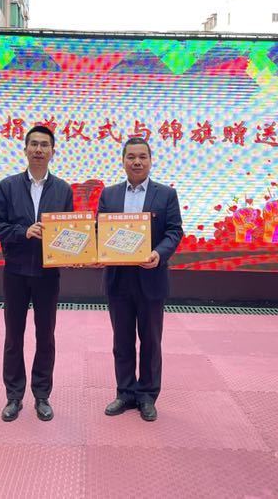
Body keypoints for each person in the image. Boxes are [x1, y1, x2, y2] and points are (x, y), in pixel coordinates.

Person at [0, 125, 74, 422]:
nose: (38, 149)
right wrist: (23, 232)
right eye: (33, 144)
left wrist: (75, 253)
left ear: (52, 152)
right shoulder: (7, 186)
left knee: (46, 336)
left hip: (48, 274)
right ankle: (13, 397)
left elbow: (69, 231)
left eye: (44, 145)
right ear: (25, 150)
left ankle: (42, 395)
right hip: (15, 272)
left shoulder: (63, 189)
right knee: (14, 336)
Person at [97, 137, 183, 421]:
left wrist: (159, 253)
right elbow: (99, 231)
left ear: (150, 160)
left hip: (151, 277)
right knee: (121, 340)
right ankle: (124, 392)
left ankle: (147, 395)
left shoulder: (166, 194)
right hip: (118, 279)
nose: (136, 162)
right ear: (123, 161)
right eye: (131, 157)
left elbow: (174, 231)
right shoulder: (109, 195)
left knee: (150, 341)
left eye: (142, 157)